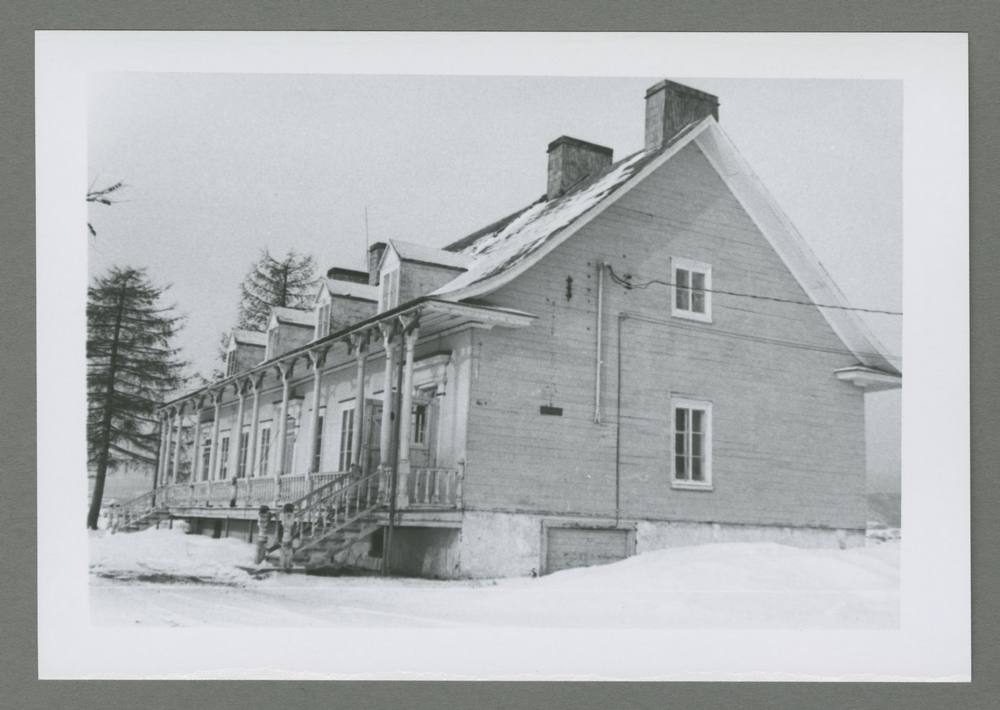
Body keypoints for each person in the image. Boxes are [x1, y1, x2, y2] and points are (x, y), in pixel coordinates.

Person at [277, 503, 297, 571]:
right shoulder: (292, 518)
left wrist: (279, 539)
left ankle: (283, 565)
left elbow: (280, 530)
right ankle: (287, 566)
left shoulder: (284, 518)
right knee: (288, 553)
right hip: (288, 538)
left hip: (285, 538)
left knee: (284, 553)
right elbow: (293, 529)